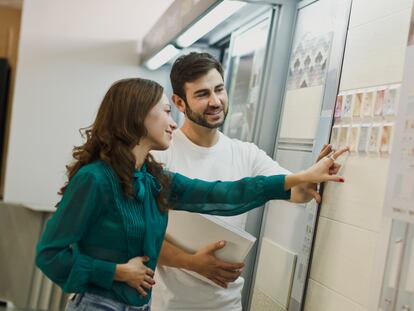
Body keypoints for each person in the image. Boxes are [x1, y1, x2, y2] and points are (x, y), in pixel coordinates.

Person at [35, 77, 346, 311]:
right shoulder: (95, 180)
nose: (173, 123)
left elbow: (223, 194)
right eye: (166, 112)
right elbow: (49, 254)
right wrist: (116, 272)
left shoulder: (152, 178)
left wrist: (300, 178)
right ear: (138, 116)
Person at [151, 52, 340, 311]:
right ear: (179, 103)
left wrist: (312, 175)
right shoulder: (160, 153)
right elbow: (140, 236)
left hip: (227, 305)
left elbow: (297, 192)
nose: (216, 101)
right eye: (202, 94)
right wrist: (190, 262)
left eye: (219, 89)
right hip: (168, 305)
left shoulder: (246, 153)